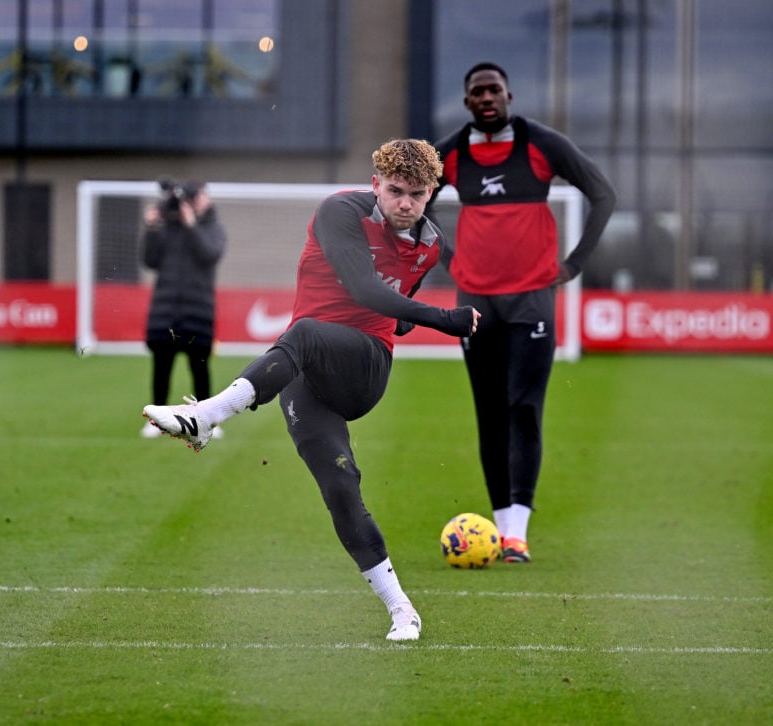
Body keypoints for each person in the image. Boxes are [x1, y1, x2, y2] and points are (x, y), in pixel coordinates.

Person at [143, 139, 480, 641]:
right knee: (341, 487)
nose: (405, 203)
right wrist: (445, 320)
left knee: (301, 334)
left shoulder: (429, 245)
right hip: (303, 369)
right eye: (395, 191)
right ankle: (403, 610)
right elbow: (369, 290)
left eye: (416, 194)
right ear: (375, 186)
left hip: (365, 366)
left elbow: (392, 311)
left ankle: (205, 417)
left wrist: (420, 319)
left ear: (432, 193)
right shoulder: (339, 212)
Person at [429, 62, 616, 562]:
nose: (486, 97)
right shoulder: (449, 154)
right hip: (474, 302)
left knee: (525, 410)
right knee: (489, 414)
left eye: (494, 89)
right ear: (467, 101)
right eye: (477, 91)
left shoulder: (542, 144)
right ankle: (502, 521)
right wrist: (448, 260)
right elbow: (411, 205)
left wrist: (574, 264)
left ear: (508, 94)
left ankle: (516, 533)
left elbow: (602, 194)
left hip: (532, 297)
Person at [138, 178, 227, 440]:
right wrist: (152, 228)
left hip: (198, 311)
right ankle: (156, 419)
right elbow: (150, 260)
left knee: (200, 367)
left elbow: (210, 253)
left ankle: (208, 420)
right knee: (161, 366)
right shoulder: (167, 229)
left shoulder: (213, 229)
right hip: (165, 310)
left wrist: (191, 225)